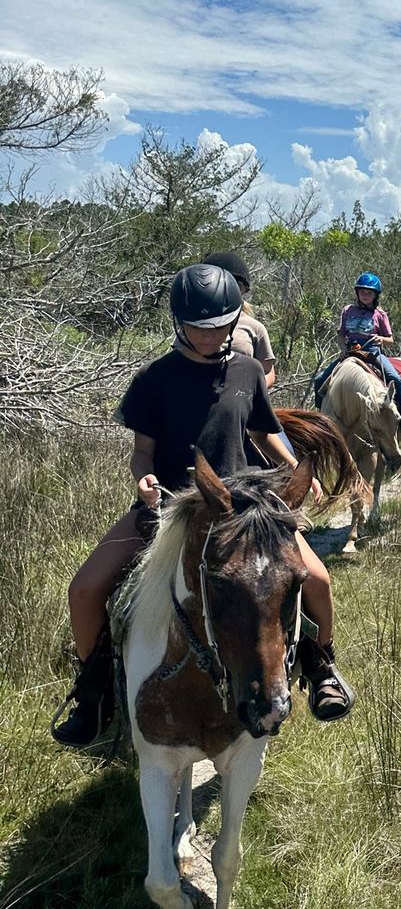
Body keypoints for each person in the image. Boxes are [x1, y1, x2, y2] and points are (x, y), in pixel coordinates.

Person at [51, 264, 354, 747]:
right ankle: (95, 694)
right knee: (85, 590)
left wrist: (296, 468)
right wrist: (143, 479)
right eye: (199, 327)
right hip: (170, 506)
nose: (210, 336)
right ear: (178, 323)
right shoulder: (155, 379)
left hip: (243, 511)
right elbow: (142, 452)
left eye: (219, 326)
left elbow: (263, 430)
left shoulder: (248, 370)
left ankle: (321, 667)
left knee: (317, 579)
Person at [313, 273, 401, 431]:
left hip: (373, 353)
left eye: (369, 292)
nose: (365, 295)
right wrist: (342, 349)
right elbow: (341, 335)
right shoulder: (348, 310)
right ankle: (321, 418)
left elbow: (390, 339)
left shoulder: (379, 314)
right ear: (357, 293)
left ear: (375, 295)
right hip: (351, 351)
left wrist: (381, 339)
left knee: (394, 377)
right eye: (362, 292)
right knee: (320, 380)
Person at [202, 249, 276, 385]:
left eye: (234, 286)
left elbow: (268, 371)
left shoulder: (255, 328)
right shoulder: (193, 324)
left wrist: (251, 390)